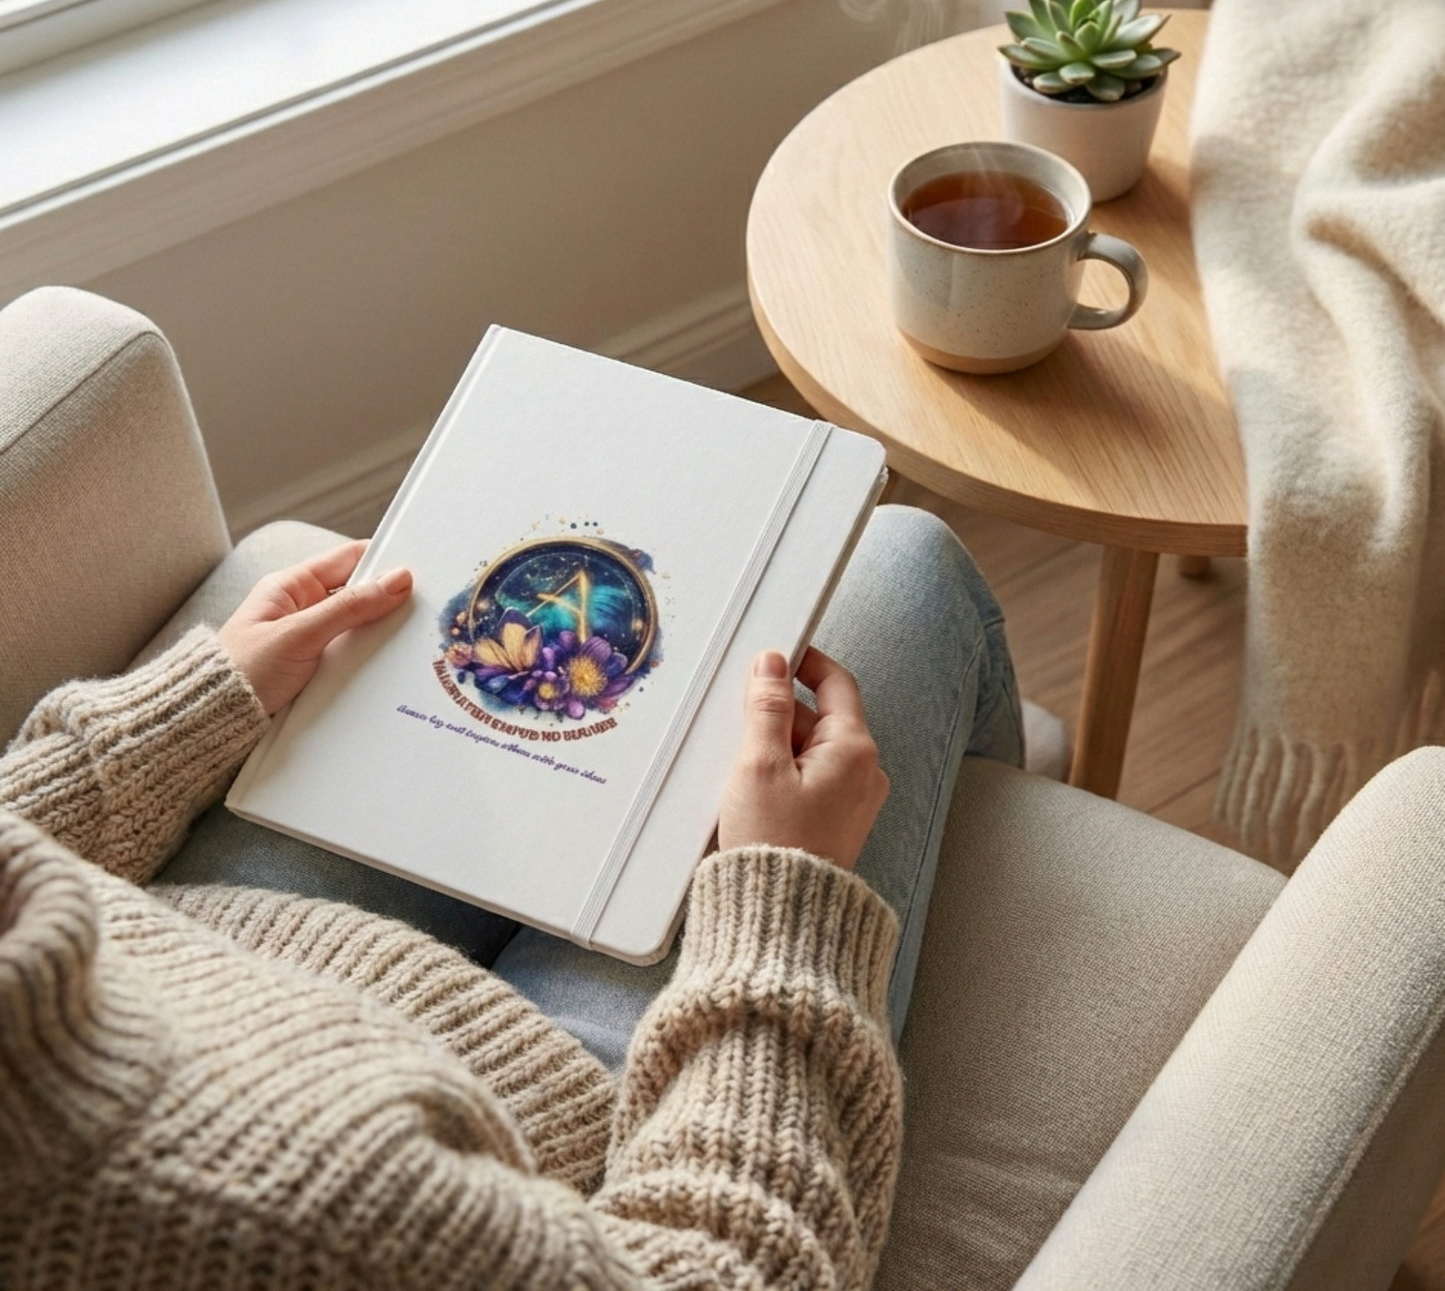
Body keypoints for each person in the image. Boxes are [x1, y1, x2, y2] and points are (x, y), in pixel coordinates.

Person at [0, 505, 1020, 1290]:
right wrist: (784, 907)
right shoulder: (243, 1208)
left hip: (197, 947)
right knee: (905, 560)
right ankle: (999, 836)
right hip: (534, 1123)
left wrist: (183, 707)